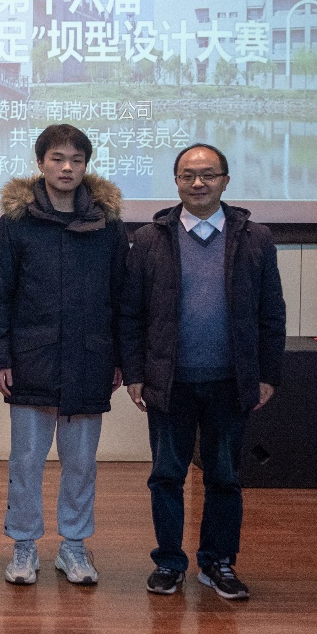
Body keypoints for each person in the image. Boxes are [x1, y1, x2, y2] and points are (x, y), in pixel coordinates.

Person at [121, 143, 285, 600]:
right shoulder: (150, 239)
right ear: (176, 181)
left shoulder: (255, 238)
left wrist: (267, 374)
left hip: (230, 381)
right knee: (166, 476)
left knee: (224, 478)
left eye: (208, 175)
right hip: (168, 381)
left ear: (225, 181)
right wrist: (134, 372)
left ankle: (218, 562)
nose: (198, 183)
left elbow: (271, 313)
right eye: (188, 175)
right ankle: (169, 562)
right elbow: (131, 314)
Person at [0, 124, 129, 586]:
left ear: (86, 166)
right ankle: (23, 546)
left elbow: (121, 296)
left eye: (76, 160)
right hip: (32, 359)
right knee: (26, 460)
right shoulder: (16, 224)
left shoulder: (107, 224)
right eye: (57, 159)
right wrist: (0, 357)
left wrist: (121, 358)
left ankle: (74, 547)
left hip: (90, 359)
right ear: (40, 163)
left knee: (81, 463)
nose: (67, 168)